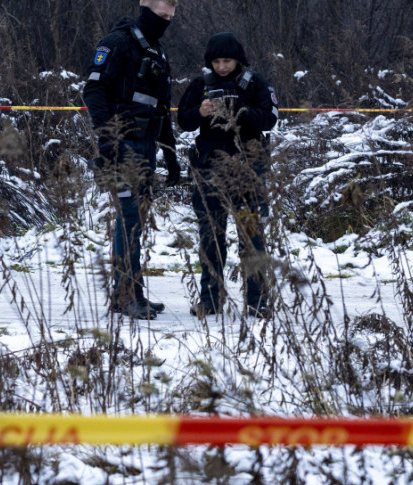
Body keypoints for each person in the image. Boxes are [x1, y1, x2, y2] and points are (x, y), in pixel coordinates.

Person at [82, 0, 181, 321]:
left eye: (169, 17)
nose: (164, 21)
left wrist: (170, 155)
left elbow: (162, 109)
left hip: (148, 145)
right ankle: (124, 294)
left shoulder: (157, 52)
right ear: (143, 5)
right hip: (122, 144)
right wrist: (107, 138)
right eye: (160, 15)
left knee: (137, 219)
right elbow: (93, 91)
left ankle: (131, 291)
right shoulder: (118, 42)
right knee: (128, 218)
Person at [177, 32, 279, 319]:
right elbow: (183, 121)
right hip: (210, 167)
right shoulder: (201, 85)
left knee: (251, 235)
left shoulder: (255, 83)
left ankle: (257, 300)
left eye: (228, 61)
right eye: (217, 61)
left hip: (248, 165)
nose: (222, 67)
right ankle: (210, 299)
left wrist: (239, 112)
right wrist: (201, 111)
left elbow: (270, 118)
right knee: (211, 235)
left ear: (238, 60)